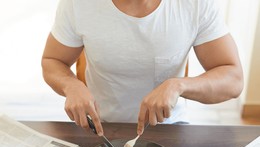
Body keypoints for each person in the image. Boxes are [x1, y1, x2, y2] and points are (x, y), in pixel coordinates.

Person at [41, 0, 243, 136]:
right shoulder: (79, 4)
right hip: (99, 128)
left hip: (169, 129)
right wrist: (71, 86)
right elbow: (52, 60)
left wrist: (178, 86)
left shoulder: (195, 4)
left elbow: (233, 79)